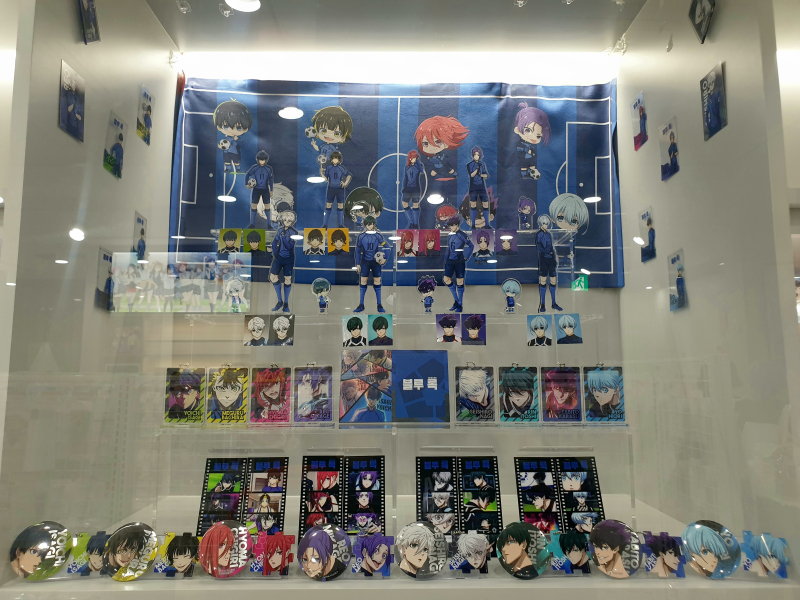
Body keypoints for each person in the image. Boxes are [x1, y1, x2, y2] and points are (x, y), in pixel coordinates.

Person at [415, 116, 469, 211]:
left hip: (446, 176)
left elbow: (445, 162)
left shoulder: (443, 156)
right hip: (434, 185)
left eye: (437, 142)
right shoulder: (429, 159)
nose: (432, 146)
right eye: (426, 143)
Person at [354, 213, 387, 314]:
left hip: (376, 262)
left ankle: (379, 305)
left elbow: (387, 247)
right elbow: (358, 250)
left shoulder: (377, 235)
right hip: (365, 261)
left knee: (377, 281)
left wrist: (384, 258)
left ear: (374, 224)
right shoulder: (361, 236)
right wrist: (357, 264)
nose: (370, 226)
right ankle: (361, 304)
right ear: (365, 225)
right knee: (363, 281)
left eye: (371, 224)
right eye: (368, 224)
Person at [443, 215, 473, 312]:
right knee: (446, 279)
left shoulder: (462, 234)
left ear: (457, 225)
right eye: (450, 226)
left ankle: (460, 305)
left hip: (459, 261)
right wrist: (446, 260)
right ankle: (456, 301)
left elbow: (471, 246)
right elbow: (449, 248)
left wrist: (466, 257)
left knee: (460, 282)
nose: (451, 227)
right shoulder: (450, 235)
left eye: (453, 225)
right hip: (450, 261)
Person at [269, 211, 298, 313]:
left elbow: (289, 246)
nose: (287, 222)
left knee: (287, 279)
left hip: (289, 258)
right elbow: (274, 241)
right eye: (285, 220)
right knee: (272, 277)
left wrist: (283, 237)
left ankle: (286, 303)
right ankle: (279, 301)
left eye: (289, 220)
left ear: (292, 221)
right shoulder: (280, 230)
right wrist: (275, 252)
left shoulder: (294, 232)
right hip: (279, 257)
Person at [513, 103, 550, 180]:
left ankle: (531, 174)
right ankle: (524, 175)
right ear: (517, 130)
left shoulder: (530, 145)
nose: (533, 137)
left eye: (539, 136)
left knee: (532, 166)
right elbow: (520, 150)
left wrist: (533, 154)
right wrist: (528, 152)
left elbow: (531, 150)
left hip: (530, 158)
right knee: (524, 166)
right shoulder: (520, 143)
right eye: (528, 130)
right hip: (523, 157)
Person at [214, 100, 252, 174]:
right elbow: (221, 144)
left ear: (245, 129)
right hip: (226, 152)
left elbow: (242, 145)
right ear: (219, 127)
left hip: (235, 153)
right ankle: (228, 169)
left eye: (239, 128)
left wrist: (237, 140)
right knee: (227, 161)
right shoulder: (226, 139)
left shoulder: (237, 139)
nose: (231, 130)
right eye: (225, 126)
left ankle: (238, 169)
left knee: (236, 162)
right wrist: (220, 146)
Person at [535, 215, 561, 313]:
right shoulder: (539, 234)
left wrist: (554, 257)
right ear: (540, 224)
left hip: (551, 259)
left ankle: (554, 303)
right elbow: (539, 247)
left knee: (553, 280)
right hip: (543, 259)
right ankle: (543, 304)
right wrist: (547, 252)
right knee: (543, 281)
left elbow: (551, 247)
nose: (545, 225)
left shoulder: (549, 234)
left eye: (547, 223)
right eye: (544, 223)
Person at [245, 150, 274, 229]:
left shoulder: (268, 168)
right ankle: (252, 224)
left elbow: (271, 180)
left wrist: (271, 190)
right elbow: (247, 174)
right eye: (260, 160)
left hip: (265, 189)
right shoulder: (255, 167)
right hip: (256, 189)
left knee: (267, 206)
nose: (262, 161)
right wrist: (247, 184)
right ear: (258, 160)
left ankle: (269, 225)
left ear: (266, 160)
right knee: (254, 205)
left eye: (263, 160)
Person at [322, 151, 352, 228]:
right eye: (334, 158)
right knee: (328, 206)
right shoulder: (329, 167)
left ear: (339, 159)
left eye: (337, 158)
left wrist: (345, 183)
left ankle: (341, 225)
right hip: (331, 189)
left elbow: (349, 175)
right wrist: (321, 173)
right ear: (331, 159)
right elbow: (326, 178)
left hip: (340, 189)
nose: (335, 159)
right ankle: (325, 225)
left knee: (340, 206)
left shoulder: (341, 168)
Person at [466, 146, 490, 228]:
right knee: (473, 205)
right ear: (472, 155)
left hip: (482, 186)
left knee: (486, 204)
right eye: (475, 154)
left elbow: (486, 175)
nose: (476, 156)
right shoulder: (469, 165)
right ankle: (473, 225)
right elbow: (471, 175)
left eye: (478, 155)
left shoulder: (482, 164)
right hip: (473, 187)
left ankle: (487, 224)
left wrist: (481, 174)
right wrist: (477, 169)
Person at [402, 150, 425, 228]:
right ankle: (411, 222)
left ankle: (415, 224)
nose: (414, 159)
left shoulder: (419, 165)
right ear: (410, 158)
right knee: (404, 203)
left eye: (415, 157)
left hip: (416, 188)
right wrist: (404, 187)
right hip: (408, 188)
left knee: (415, 204)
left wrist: (417, 161)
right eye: (413, 157)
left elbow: (422, 171)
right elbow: (405, 178)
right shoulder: (406, 167)